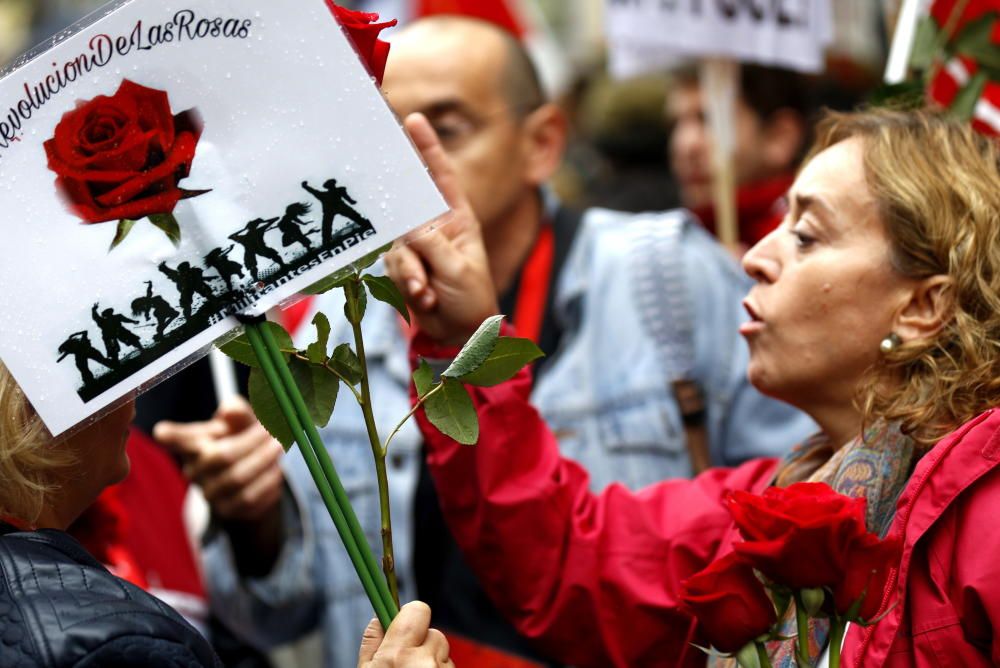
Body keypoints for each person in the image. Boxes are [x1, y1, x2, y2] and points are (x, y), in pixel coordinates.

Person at [154, 15, 815, 667]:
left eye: (444, 130)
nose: (406, 168)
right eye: (381, 136)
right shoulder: (335, 324)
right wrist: (256, 524)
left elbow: (798, 522)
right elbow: (276, 619)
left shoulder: (665, 274)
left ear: (544, 142)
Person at [375, 107, 1000, 666]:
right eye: (781, 224)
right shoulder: (774, 504)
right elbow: (566, 556)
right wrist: (464, 343)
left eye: (807, 236)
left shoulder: (985, 524)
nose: (756, 256)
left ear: (922, 306)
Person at [0, 362, 220, 667]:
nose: (138, 384)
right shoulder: (113, 646)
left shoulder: (155, 470)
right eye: (92, 363)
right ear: (28, 405)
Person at [667, 64, 811, 249]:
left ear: (780, 136)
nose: (684, 145)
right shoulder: (678, 242)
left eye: (710, 120)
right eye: (673, 124)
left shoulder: (805, 244)